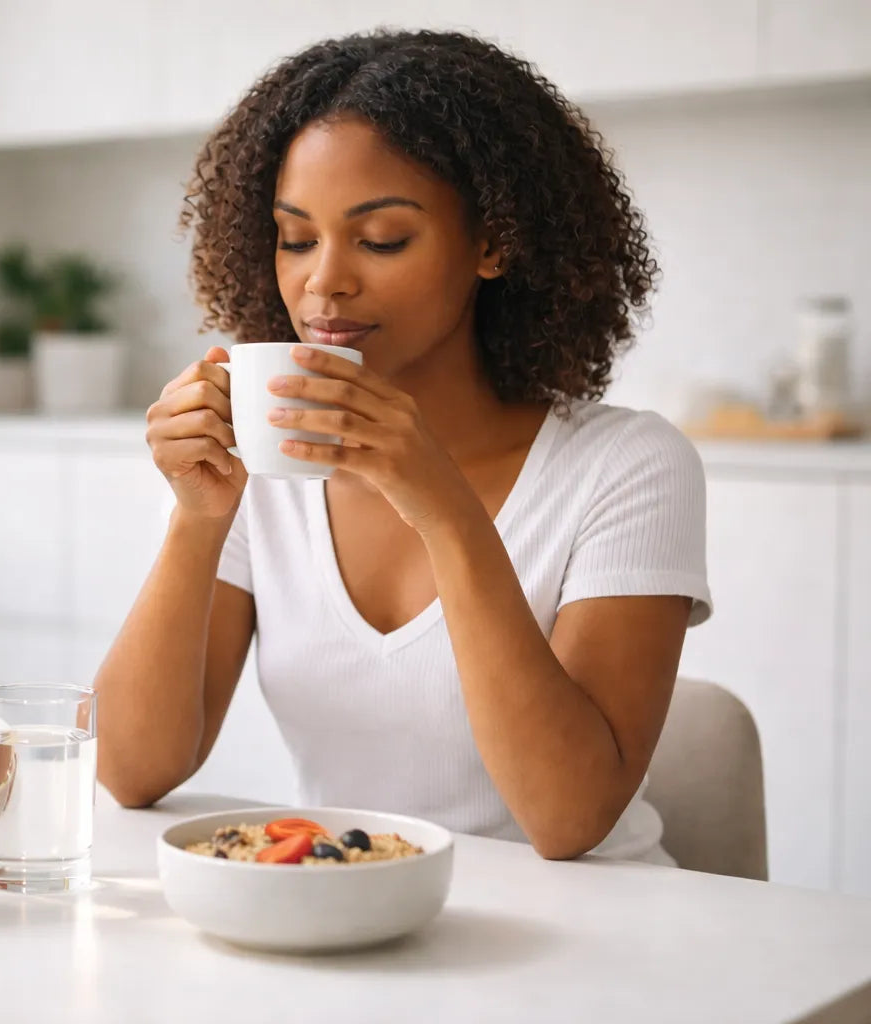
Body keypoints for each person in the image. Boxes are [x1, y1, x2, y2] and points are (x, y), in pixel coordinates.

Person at [94, 30, 711, 864]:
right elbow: (130, 771)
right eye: (296, 238)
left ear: (493, 242)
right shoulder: (269, 469)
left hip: (589, 927)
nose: (323, 282)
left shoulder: (625, 467)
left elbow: (569, 819)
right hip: (356, 911)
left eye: (381, 238)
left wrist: (444, 510)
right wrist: (198, 519)